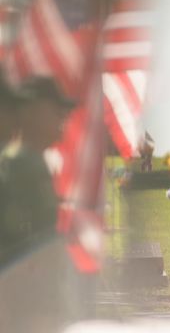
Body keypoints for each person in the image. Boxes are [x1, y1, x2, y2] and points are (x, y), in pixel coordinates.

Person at [0, 77, 76, 332]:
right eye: (55, 108)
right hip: (26, 309)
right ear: (31, 111)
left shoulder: (28, 162)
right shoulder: (22, 165)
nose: (62, 114)